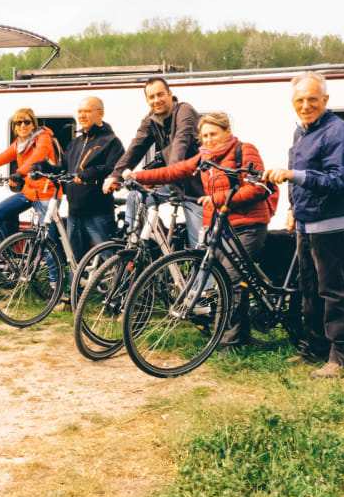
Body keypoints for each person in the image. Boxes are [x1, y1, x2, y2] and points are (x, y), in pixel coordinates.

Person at [128, 112, 271, 353]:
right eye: (204, 136)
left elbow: (257, 188)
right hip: (220, 227)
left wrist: (217, 199)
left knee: (232, 280)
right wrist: (136, 176)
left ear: (227, 131)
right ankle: (241, 336)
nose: (209, 139)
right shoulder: (204, 158)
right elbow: (172, 172)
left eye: (213, 134)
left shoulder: (245, 150)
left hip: (248, 225)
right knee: (228, 282)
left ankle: (228, 343)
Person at [265, 72, 344, 379]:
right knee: (309, 290)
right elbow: (300, 172)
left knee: (334, 292)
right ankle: (316, 349)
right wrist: (293, 207)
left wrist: (293, 177)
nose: (305, 105)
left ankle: (343, 357)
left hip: (332, 224)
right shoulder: (301, 132)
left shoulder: (339, 132)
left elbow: (338, 181)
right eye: (299, 100)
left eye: (312, 99)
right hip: (306, 223)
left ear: (325, 100)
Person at [104, 77, 203, 246]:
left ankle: (205, 268)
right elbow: (136, 147)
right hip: (172, 182)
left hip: (196, 187)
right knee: (136, 196)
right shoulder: (150, 120)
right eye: (151, 97)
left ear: (170, 94)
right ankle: (137, 245)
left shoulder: (184, 111)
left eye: (160, 94)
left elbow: (180, 143)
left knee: (200, 245)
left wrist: (162, 174)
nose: (156, 100)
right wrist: (116, 175)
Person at [0, 107, 60, 241]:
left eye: (27, 122)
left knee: (46, 239)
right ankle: (7, 253)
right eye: (18, 122)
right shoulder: (19, 144)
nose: (23, 125)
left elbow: (37, 157)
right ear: (14, 127)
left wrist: (20, 173)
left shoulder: (43, 138)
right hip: (29, 192)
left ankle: (54, 263)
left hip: (47, 193)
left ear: (33, 124)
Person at [62, 97, 125, 261]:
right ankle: (75, 288)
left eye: (87, 111)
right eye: (80, 111)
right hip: (74, 212)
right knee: (76, 260)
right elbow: (63, 167)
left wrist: (93, 172)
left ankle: (118, 287)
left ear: (100, 114)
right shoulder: (76, 142)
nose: (81, 115)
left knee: (110, 259)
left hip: (98, 212)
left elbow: (116, 167)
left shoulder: (111, 142)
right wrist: (41, 166)